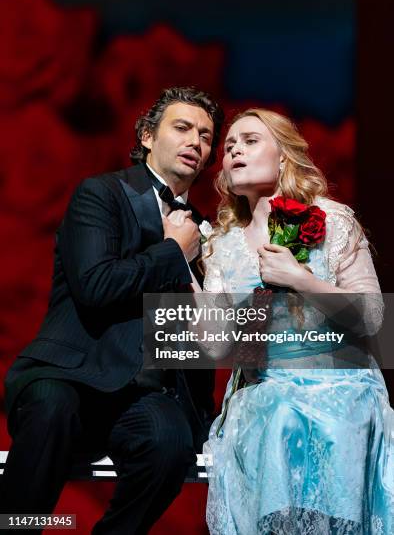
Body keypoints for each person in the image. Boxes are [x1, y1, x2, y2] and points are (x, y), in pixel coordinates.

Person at [0, 86, 224, 534]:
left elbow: (197, 339)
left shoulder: (204, 230)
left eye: (205, 136)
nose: (195, 142)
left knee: (169, 442)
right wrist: (170, 252)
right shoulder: (101, 194)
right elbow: (96, 286)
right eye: (182, 128)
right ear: (146, 136)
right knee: (52, 412)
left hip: (142, 394)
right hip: (68, 373)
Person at [201, 109, 394, 534]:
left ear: (284, 156)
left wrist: (300, 279)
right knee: (277, 412)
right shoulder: (224, 245)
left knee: (297, 415)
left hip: (340, 386)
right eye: (229, 145)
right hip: (268, 392)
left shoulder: (331, 218)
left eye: (250, 140)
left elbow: (373, 317)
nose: (234, 149)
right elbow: (216, 347)